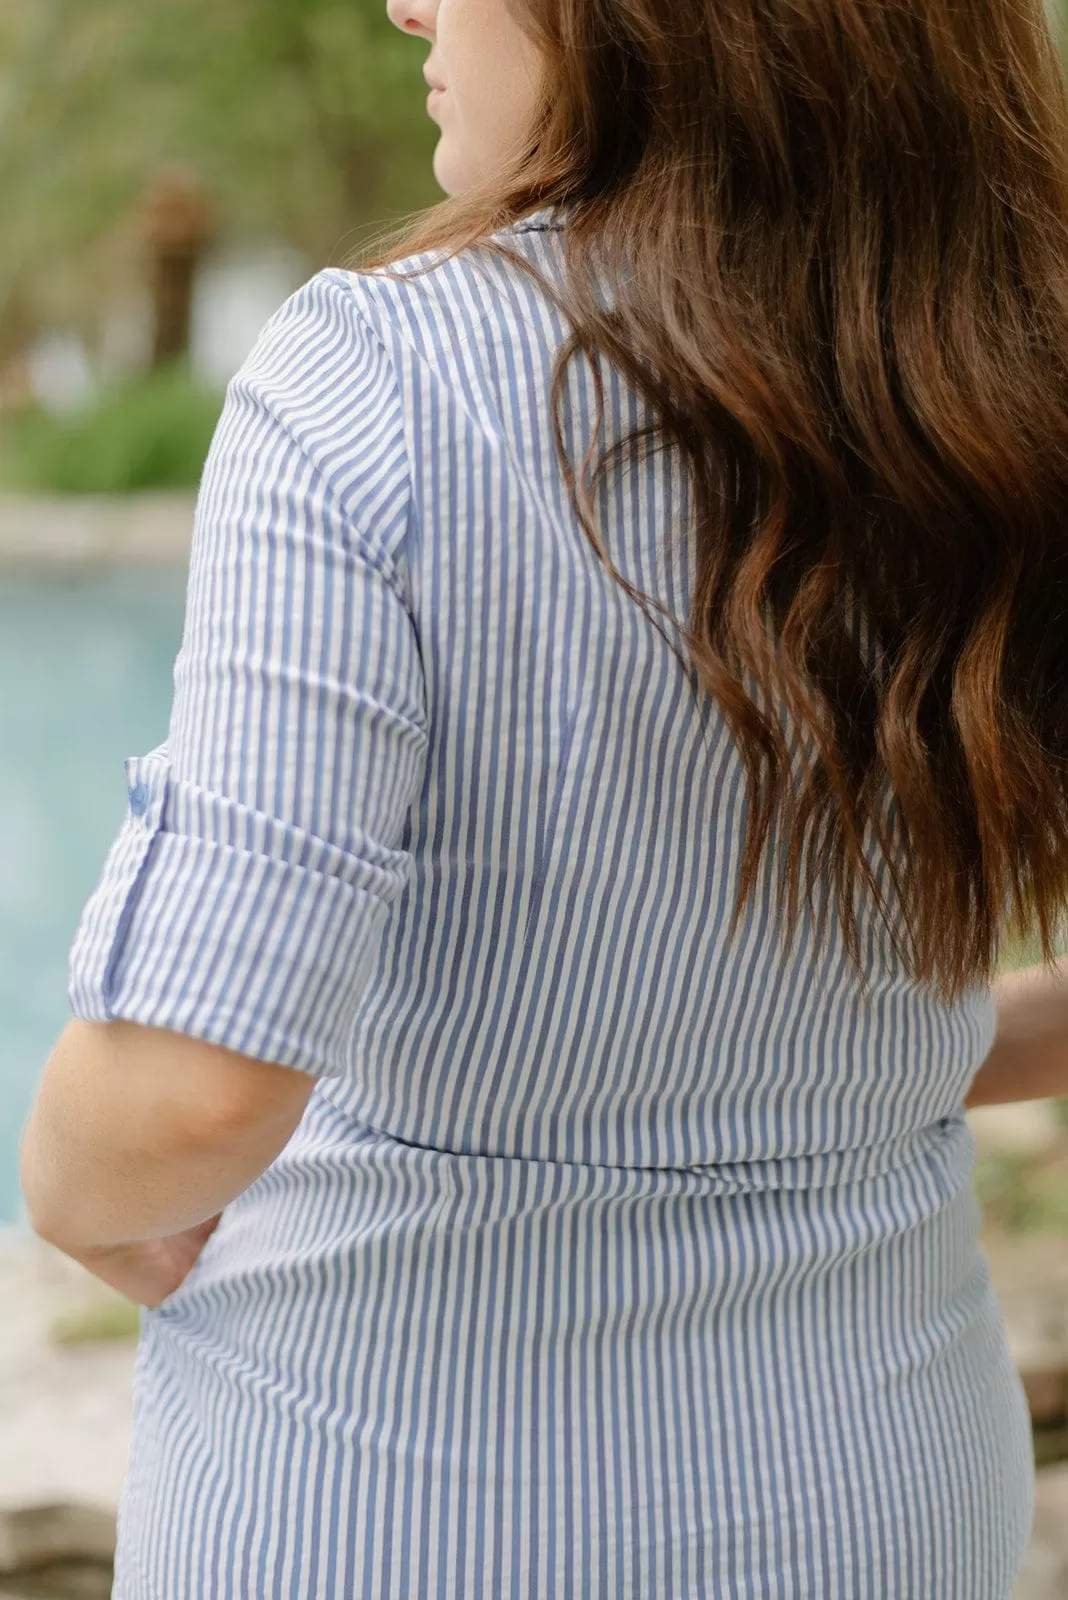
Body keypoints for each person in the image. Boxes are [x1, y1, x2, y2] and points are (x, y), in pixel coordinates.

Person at [19, 0, 1068, 1593]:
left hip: (404, 1490)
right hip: (890, 1486)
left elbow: (191, 1095)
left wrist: (82, 1197)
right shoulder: (1000, 382)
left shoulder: (372, 381)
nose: (410, 4)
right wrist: (856, 1063)